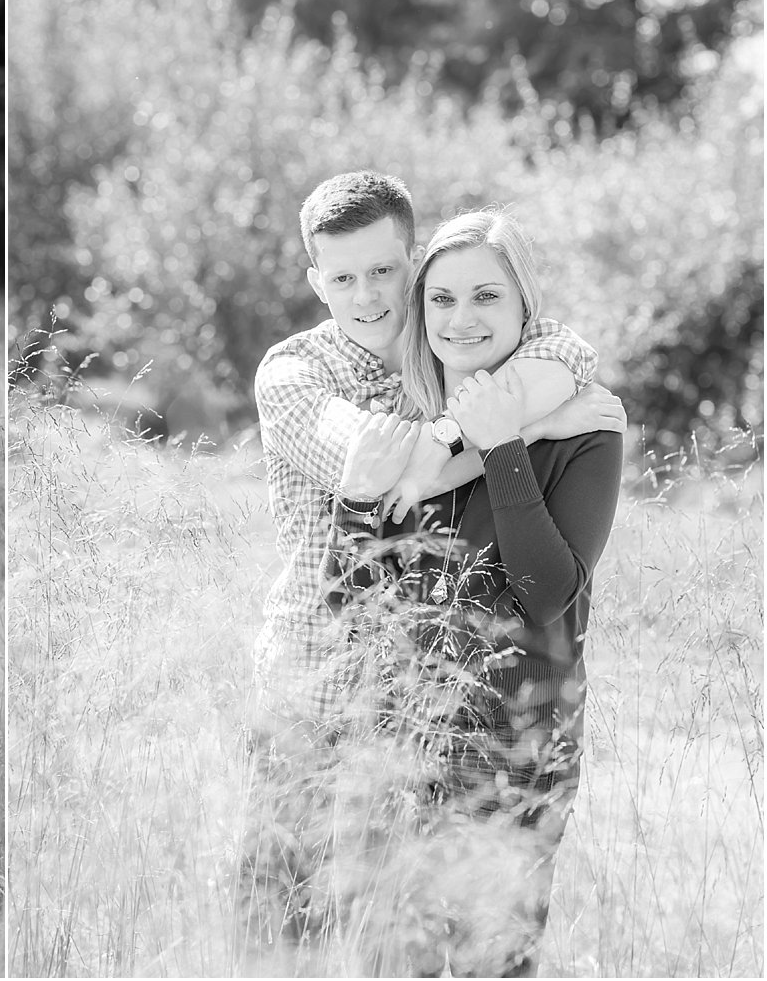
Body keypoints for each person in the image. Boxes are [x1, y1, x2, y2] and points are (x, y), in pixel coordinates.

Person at [328, 209, 623, 976]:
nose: (461, 319)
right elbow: (357, 615)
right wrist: (356, 502)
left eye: (487, 296)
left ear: (526, 307)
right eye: (443, 298)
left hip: (518, 744)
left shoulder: (583, 429)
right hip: (398, 743)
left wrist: (502, 448)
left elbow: (549, 596)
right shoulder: (403, 432)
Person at [249, 171, 622, 749]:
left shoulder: (452, 346)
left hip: (413, 710)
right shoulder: (295, 373)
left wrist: (491, 430)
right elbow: (391, 475)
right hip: (311, 682)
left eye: (382, 271)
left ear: (415, 264)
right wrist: (535, 425)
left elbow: (567, 348)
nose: (365, 296)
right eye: (342, 278)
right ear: (316, 283)